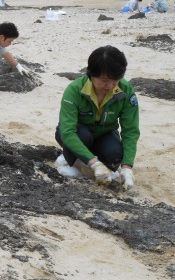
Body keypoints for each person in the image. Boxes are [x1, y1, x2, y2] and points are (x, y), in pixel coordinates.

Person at [55, 46, 140, 190]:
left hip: (105, 133)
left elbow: (130, 130)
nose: (110, 86)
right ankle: (70, 159)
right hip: (78, 133)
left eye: (116, 80)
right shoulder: (74, 90)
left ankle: (89, 158)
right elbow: (68, 132)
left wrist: (127, 167)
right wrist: (95, 164)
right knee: (83, 136)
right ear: (91, 74)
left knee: (114, 156)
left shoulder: (126, 91)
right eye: (104, 80)